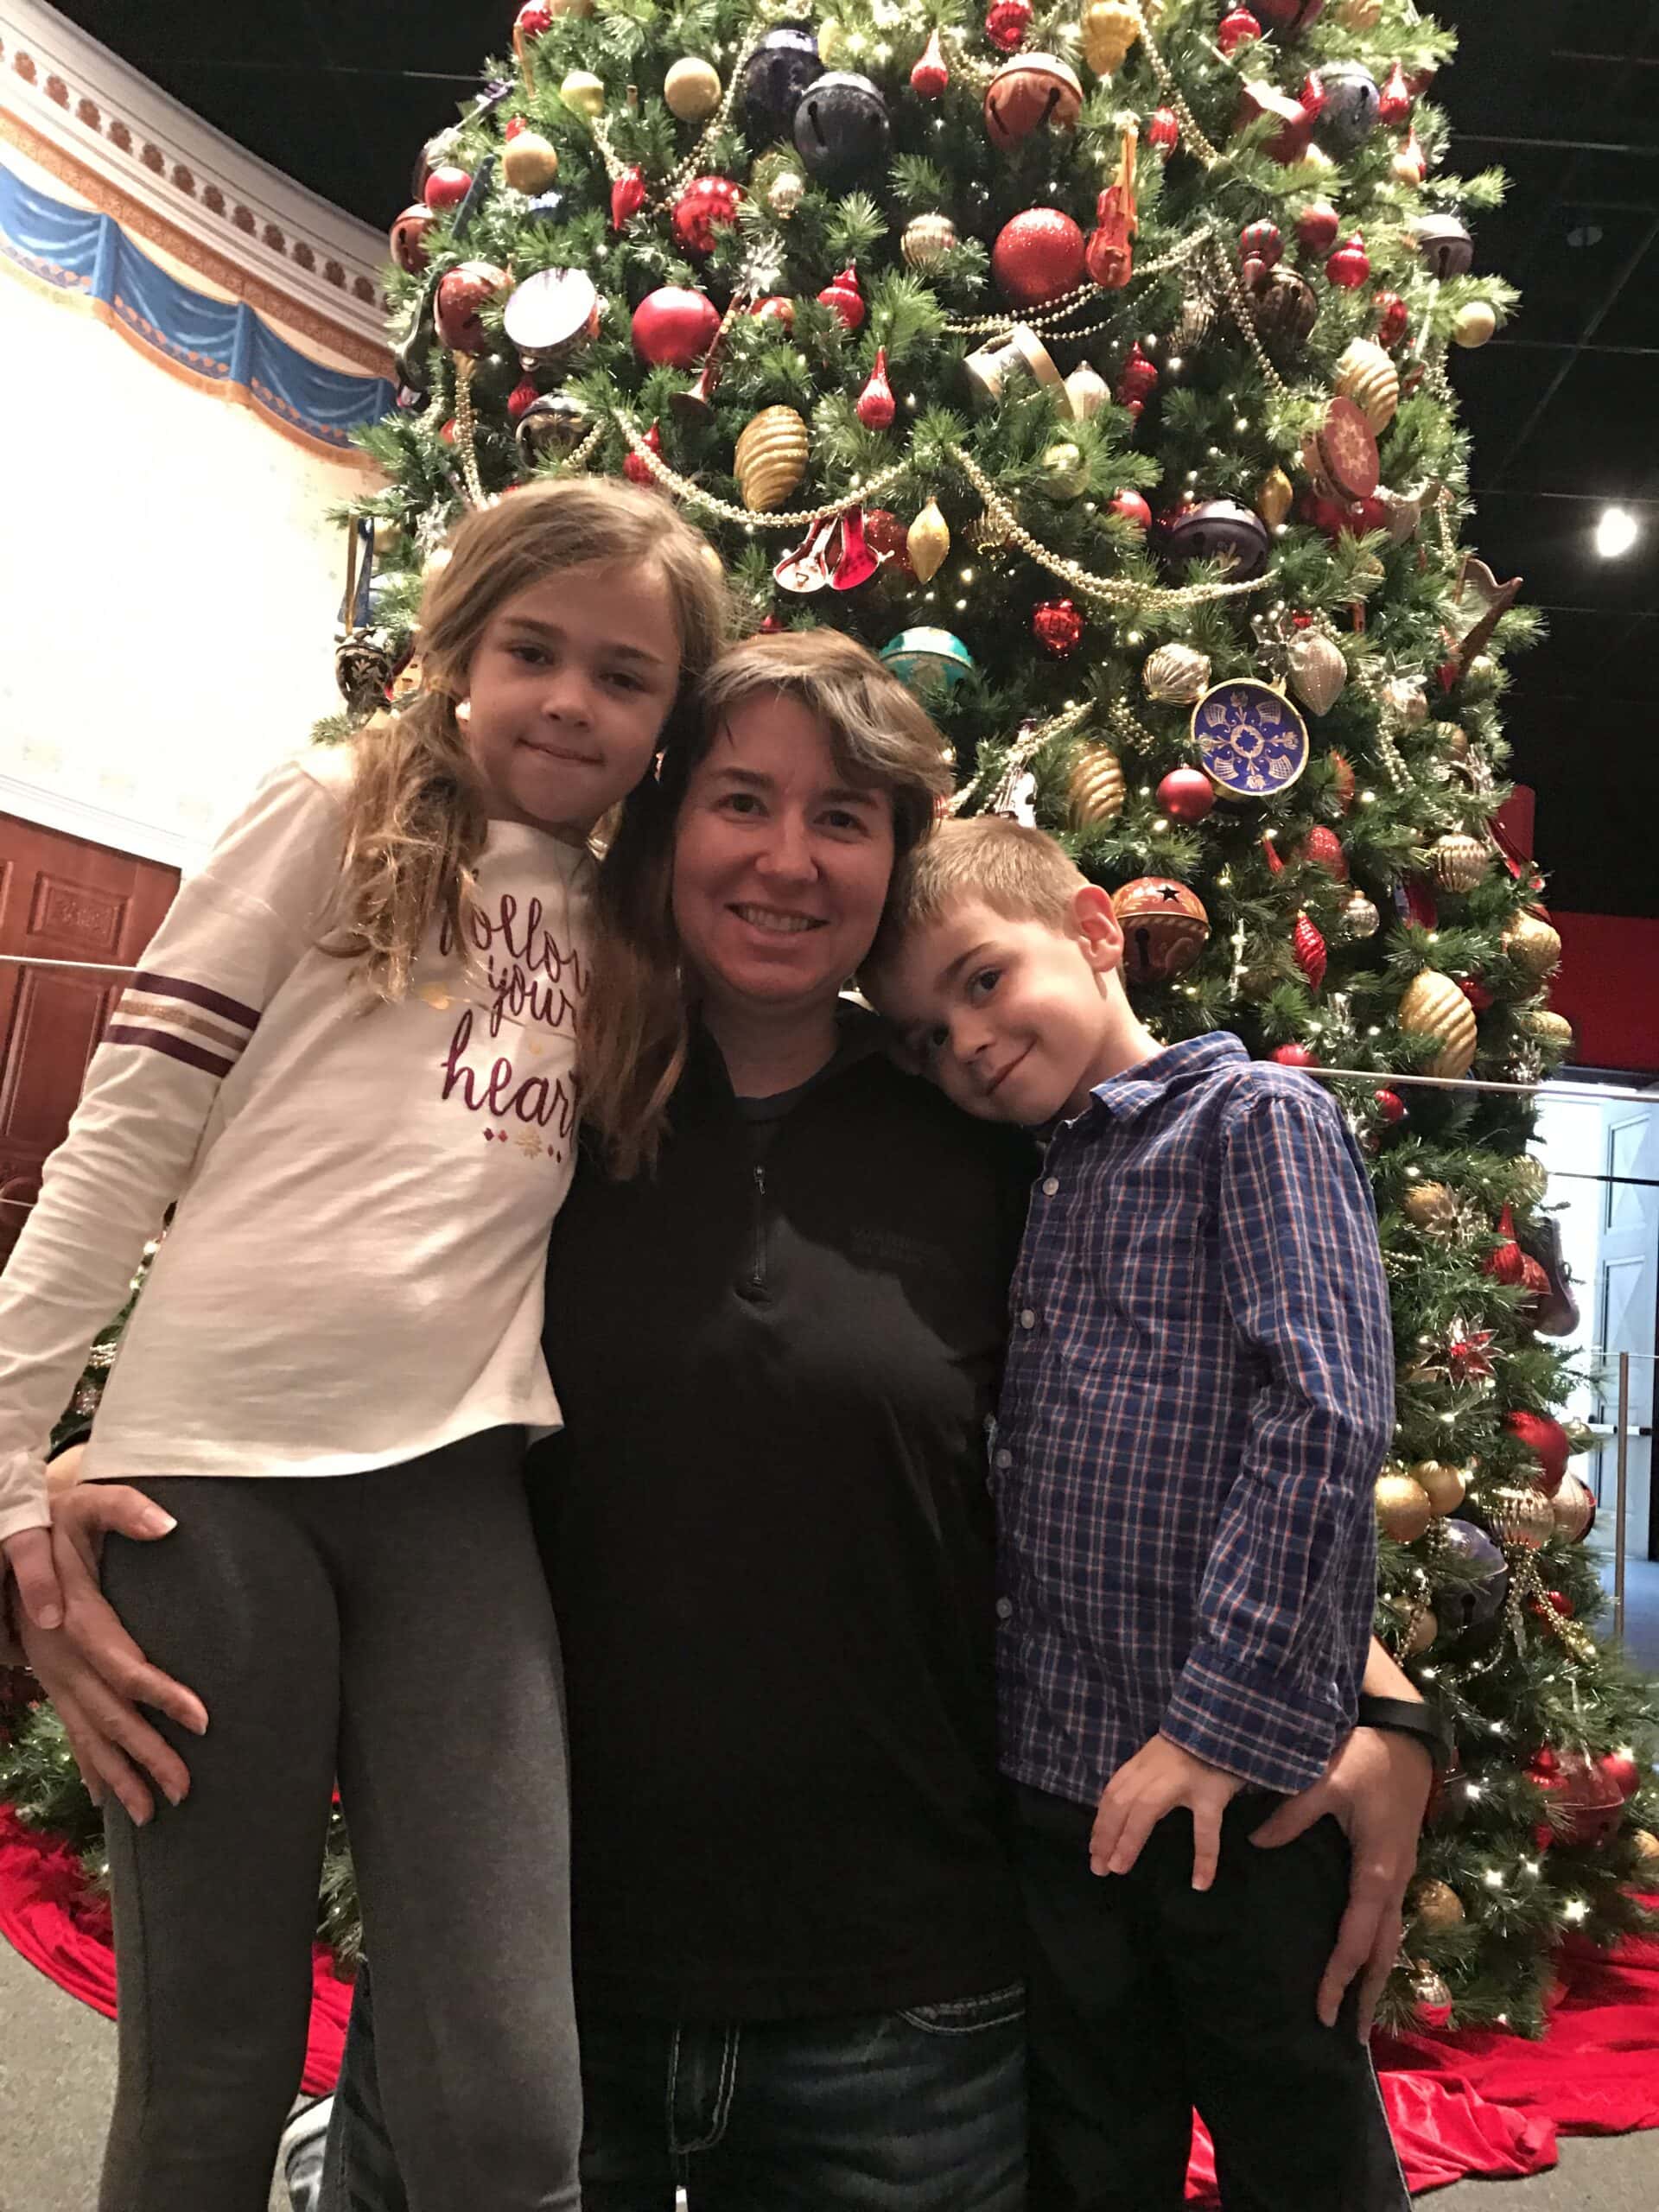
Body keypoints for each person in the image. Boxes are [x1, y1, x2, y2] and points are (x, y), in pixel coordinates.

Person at [16, 635, 1433, 2211]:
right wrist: (93, 1473)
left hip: (909, 2012)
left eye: (842, 817)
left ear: (895, 861)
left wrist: (1384, 1706)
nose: (784, 857)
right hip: (527, 1998)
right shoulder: (529, 1102)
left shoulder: (1000, 1138)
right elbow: (323, 1313)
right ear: (667, 825)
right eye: (739, 800)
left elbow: (1203, 1423)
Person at [0, 478, 728, 2211]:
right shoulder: (331, 809)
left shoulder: (640, 931)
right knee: (214, 2066)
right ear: (456, 646)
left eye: (624, 676)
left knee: (506, 2101)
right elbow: (122, 1137)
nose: (570, 698)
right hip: (211, 1492)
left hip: (455, 1498)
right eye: (532, 650)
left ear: (666, 719)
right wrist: (13, 1466)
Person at [864, 814, 1430, 2211]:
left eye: (984, 980)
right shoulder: (1027, 1177)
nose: (969, 1045)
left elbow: (1326, 1421)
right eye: (930, 1035)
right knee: (1091, 2143)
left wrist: (1214, 1726)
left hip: (1245, 1793)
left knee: (1298, 2143)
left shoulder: (1259, 1122)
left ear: (1097, 931)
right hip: (1063, 1794)